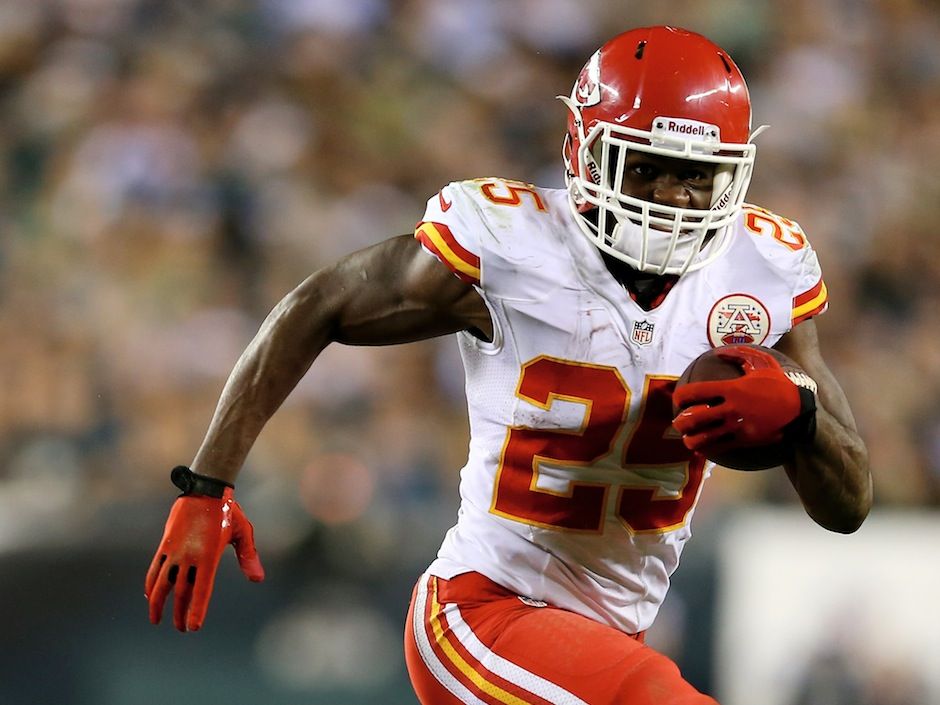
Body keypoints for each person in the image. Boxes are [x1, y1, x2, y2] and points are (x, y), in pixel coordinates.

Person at [145, 25, 872, 705]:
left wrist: (803, 416)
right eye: (648, 169)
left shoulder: (762, 269)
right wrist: (206, 486)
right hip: (482, 611)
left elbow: (850, 504)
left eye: (696, 178)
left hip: (606, 636)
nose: (674, 200)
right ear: (587, 153)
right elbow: (320, 304)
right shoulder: (513, 245)